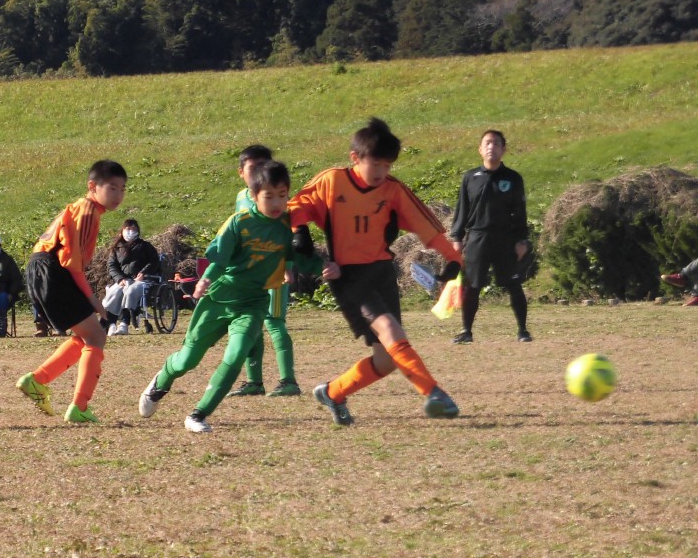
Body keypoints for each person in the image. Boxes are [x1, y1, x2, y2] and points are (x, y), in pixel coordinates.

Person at [288, 117, 463, 426]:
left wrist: (452, 257)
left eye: (388, 165)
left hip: (382, 272)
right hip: (348, 276)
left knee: (386, 360)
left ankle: (333, 392)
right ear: (355, 158)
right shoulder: (332, 181)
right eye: (376, 164)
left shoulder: (392, 190)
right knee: (391, 330)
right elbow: (297, 204)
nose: (382, 172)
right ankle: (434, 393)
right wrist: (298, 230)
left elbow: (426, 226)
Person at [138, 160, 320, 433]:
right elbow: (219, 259)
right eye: (269, 196)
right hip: (220, 298)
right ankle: (161, 381)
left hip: (253, 303)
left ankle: (198, 415)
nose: (277, 203)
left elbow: (301, 257)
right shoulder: (240, 222)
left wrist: (325, 266)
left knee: (236, 354)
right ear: (254, 195)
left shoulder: (288, 226)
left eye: (282, 195)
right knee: (188, 360)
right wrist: (207, 279)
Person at [16, 160, 127, 423]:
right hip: (53, 270)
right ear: (93, 186)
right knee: (96, 336)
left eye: (122, 189)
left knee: (88, 335)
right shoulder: (88, 211)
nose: (118, 195)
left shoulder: (83, 207)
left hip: (42, 268)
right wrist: (93, 299)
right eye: (112, 188)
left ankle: (37, 380)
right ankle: (79, 407)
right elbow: (72, 263)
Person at [226, 144, 304, 398]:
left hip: (274, 272)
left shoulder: (278, 199)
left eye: (263, 166)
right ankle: (254, 382)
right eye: (253, 168)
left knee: (274, 322)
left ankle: (288, 381)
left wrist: (288, 267)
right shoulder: (241, 197)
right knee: (252, 324)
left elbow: (289, 236)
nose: (258, 171)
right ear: (241, 172)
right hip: (249, 275)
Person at [449, 129, 533, 343]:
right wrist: (457, 238)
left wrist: (522, 239)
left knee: (513, 284)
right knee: (472, 286)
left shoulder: (513, 178)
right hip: (477, 238)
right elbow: (462, 210)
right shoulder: (470, 177)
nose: (491, 147)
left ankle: (523, 331)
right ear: (480, 149)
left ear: (503, 149)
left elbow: (520, 212)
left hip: (505, 239)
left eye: (496, 143)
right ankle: (466, 331)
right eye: (487, 143)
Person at [102, 218, 160, 335]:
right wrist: (120, 279)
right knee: (114, 292)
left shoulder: (145, 246)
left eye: (133, 229)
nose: (130, 232)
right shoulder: (116, 248)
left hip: (141, 280)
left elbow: (154, 261)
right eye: (128, 229)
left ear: (138, 231)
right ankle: (111, 323)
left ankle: (124, 323)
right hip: (123, 280)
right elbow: (112, 266)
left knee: (131, 291)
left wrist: (144, 272)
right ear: (122, 230)